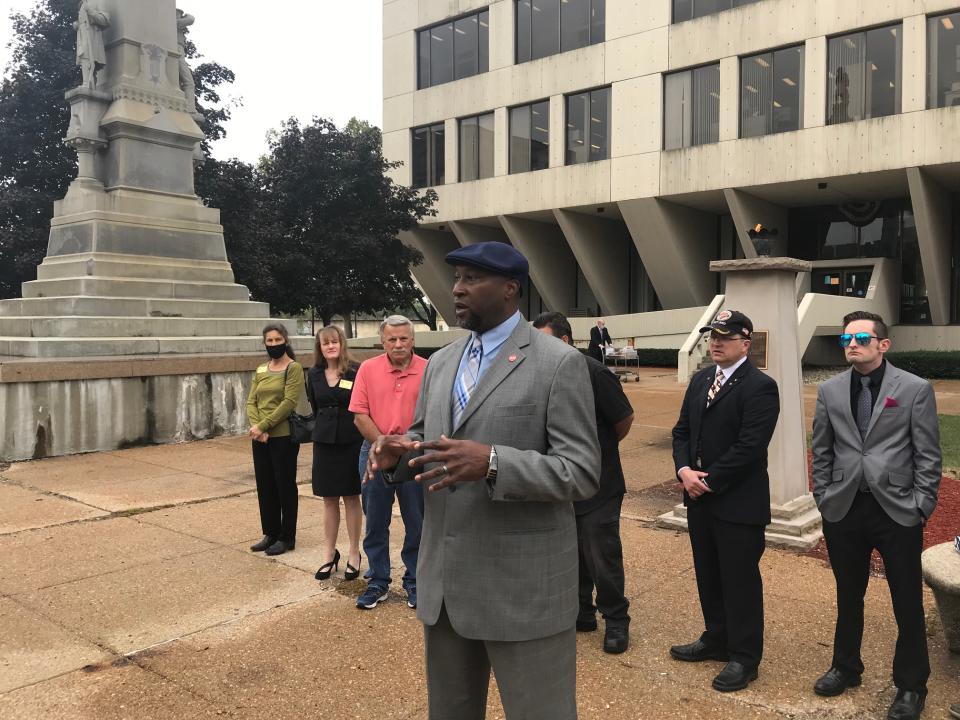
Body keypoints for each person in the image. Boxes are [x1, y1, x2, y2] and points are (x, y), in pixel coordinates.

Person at [369, 241, 600, 720]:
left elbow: (580, 472)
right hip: (447, 589)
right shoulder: (441, 362)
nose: (457, 289)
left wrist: (494, 462)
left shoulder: (557, 362)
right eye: (456, 278)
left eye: (472, 278)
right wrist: (396, 454)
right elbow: (423, 438)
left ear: (510, 289)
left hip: (523, 589)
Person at [811, 311, 941, 720]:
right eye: (846, 339)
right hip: (844, 508)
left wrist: (921, 504)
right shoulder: (829, 391)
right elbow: (822, 448)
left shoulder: (915, 388)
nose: (852, 344)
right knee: (848, 594)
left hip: (897, 511)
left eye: (862, 337)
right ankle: (846, 667)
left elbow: (928, 453)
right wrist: (823, 496)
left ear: (883, 345)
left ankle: (910, 686)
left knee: (907, 601)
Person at [669, 310, 780, 693]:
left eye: (725, 337)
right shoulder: (702, 380)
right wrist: (684, 470)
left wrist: (709, 481)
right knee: (709, 573)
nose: (715, 342)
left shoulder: (760, 387)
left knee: (740, 580)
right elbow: (682, 430)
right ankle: (716, 638)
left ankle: (745, 656)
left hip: (738, 503)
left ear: (745, 344)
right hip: (700, 498)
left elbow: (750, 447)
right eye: (712, 336)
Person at [532, 311, 634, 655]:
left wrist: (595, 453)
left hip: (599, 483)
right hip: (561, 482)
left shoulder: (594, 372)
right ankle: (582, 611)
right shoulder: (540, 373)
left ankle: (616, 619)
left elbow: (623, 419)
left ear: (564, 341)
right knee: (570, 552)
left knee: (601, 554)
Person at [349, 315, 427, 610]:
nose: (398, 344)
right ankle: (378, 580)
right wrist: (383, 443)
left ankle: (415, 579)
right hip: (374, 453)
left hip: (413, 454)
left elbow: (434, 413)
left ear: (412, 340)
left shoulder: (428, 370)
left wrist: (404, 446)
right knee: (376, 520)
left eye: (403, 338)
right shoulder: (368, 369)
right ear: (382, 341)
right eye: (391, 339)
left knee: (417, 521)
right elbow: (359, 415)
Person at [306, 325, 364, 581]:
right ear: (319, 347)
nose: (330, 346)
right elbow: (314, 404)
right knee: (329, 499)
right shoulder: (314, 374)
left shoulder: (355, 370)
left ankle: (354, 552)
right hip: (324, 443)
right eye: (324, 343)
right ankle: (329, 553)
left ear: (341, 343)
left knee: (352, 497)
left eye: (334, 341)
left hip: (350, 440)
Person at [247, 323, 305, 557]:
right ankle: (270, 532)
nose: (273, 344)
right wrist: (256, 427)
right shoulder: (261, 369)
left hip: (282, 436)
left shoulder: (294, 368)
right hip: (260, 437)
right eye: (269, 341)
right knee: (265, 485)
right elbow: (251, 401)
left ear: (285, 341)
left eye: (277, 340)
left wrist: (264, 425)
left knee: (284, 486)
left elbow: (289, 402)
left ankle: (286, 536)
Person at [74, 0, 110, 89]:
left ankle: (87, 83)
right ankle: (87, 82)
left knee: (87, 55)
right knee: (83, 56)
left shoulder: (98, 2)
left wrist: (90, 11)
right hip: (82, 34)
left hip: (92, 35)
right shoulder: (82, 4)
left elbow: (105, 20)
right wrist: (77, 24)